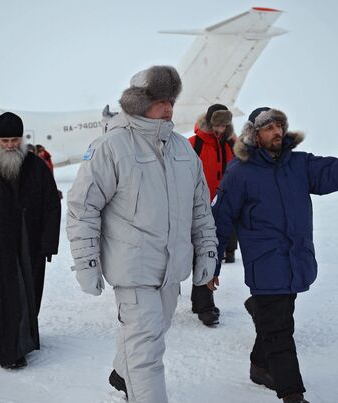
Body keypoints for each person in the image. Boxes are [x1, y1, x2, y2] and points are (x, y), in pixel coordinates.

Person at [66, 66, 218, 403]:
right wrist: (86, 263)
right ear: (139, 102)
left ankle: (123, 373)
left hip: (171, 270)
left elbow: (200, 209)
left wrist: (207, 252)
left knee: (151, 333)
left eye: (171, 101)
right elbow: (82, 208)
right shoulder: (111, 146)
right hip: (132, 269)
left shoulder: (182, 149)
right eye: (160, 100)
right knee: (147, 347)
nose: (168, 108)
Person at [212, 107, 338, 403]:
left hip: (295, 261)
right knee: (281, 331)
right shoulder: (240, 172)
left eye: (279, 126)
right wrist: (212, 265)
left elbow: (331, 176)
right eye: (269, 127)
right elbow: (220, 221)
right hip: (265, 265)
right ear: (253, 134)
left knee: (278, 321)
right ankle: (292, 394)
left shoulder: (299, 163)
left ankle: (260, 367)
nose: (277, 132)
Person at [0, 112, 61, 369]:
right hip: (2, 247)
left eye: (14, 139)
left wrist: (47, 243)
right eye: (5, 140)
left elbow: (51, 206)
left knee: (28, 293)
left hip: (30, 244)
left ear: (22, 139)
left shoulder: (37, 167)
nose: (10, 145)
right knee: (9, 297)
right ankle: (10, 350)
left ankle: (21, 339)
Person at [188, 103, 236, 326]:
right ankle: (203, 302)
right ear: (209, 122)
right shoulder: (193, 144)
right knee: (200, 255)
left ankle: (203, 303)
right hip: (197, 210)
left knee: (209, 255)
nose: (220, 129)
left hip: (223, 210)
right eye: (217, 124)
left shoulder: (233, 145)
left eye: (224, 125)